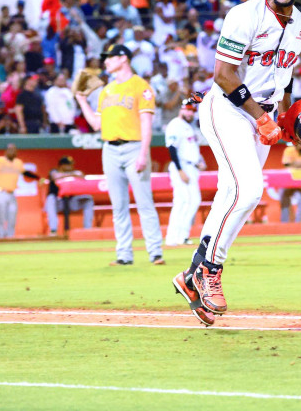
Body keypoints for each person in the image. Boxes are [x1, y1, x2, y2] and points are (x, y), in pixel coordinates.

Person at [169, 0, 301, 326]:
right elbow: (224, 74)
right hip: (228, 109)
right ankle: (209, 271)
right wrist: (263, 118)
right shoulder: (245, 15)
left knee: (232, 197)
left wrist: (286, 118)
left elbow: (285, 77)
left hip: (260, 114)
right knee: (249, 192)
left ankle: (192, 275)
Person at [75, 44, 164, 266]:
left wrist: (144, 153)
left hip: (134, 147)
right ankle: (124, 254)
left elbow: (146, 123)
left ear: (123, 58)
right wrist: (81, 101)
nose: (106, 61)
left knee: (144, 202)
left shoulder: (141, 86)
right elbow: (96, 123)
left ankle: (155, 252)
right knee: (118, 205)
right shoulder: (106, 90)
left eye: (110, 57)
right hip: (110, 149)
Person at [164, 97, 204, 247]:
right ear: (181, 109)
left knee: (192, 201)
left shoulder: (189, 127)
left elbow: (191, 149)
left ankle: (182, 236)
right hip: (181, 167)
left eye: (192, 110)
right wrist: (180, 170)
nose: (190, 113)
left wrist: (199, 162)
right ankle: (173, 237)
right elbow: (172, 148)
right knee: (182, 202)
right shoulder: (175, 125)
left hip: (191, 167)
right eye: (187, 109)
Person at [0, 143, 41, 238]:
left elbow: (25, 173)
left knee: (12, 216)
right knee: (1, 217)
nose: (12, 152)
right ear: (6, 151)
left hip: (11, 193)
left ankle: (10, 238)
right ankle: (1, 238)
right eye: (10, 150)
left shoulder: (18, 162)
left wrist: (38, 178)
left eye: (14, 150)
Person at [45, 156, 94, 235]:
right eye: (68, 165)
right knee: (50, 199)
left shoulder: (74, 172)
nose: (71, 167)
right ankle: (53, 230)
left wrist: (71, 174)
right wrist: (71, 175)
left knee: (88, 199)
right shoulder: (54, 171)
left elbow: (81, 175)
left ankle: (87, 230)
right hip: (59, 203)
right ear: (62, 165)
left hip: (72, 202)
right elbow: (55, 176)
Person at [278, 142, 301, 223]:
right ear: (296, 144)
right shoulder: (289, 150)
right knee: (285, 203)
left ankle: (298, 224)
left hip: (299, 182)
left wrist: (299, 165)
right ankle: (284, 224)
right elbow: (287, 165)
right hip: (287, 181)